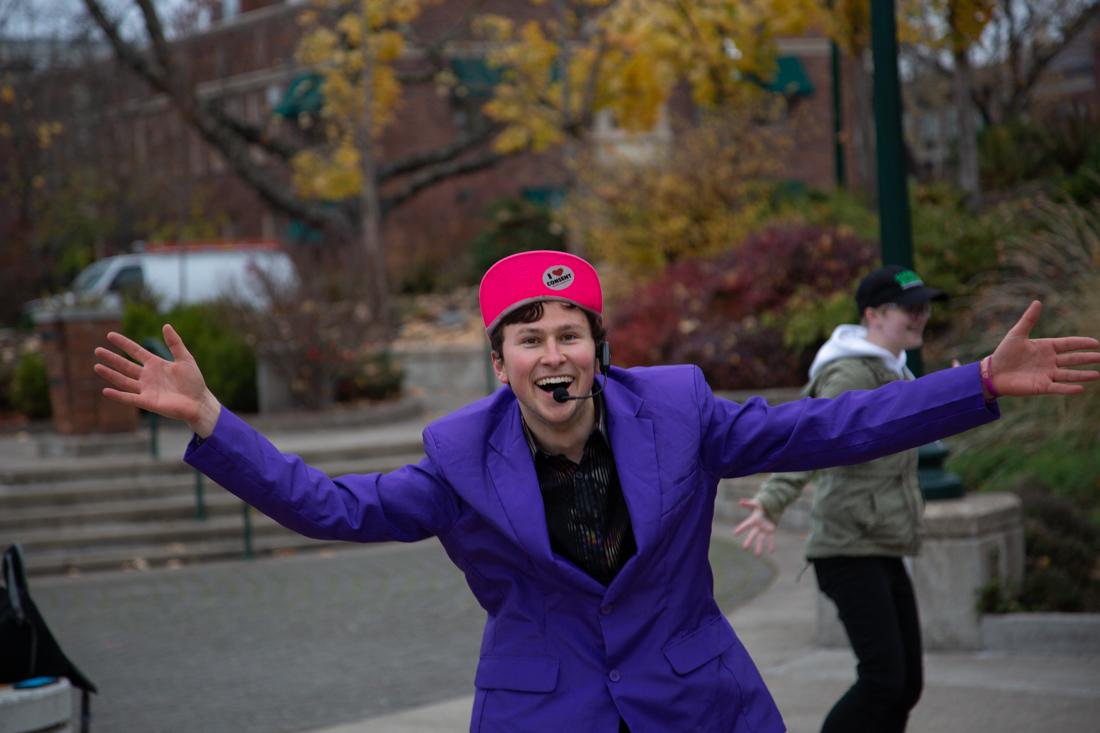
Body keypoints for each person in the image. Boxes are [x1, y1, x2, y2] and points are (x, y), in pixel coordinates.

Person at [93, 250, 1099, 733]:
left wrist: (970, 383)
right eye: (527, 338)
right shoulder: (460, 461)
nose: (551, 353)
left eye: (567, 333)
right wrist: (215, 425)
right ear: (500, 364)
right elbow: (333, 505)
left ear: (596, 349)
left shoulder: (680, 416)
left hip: (698, 703)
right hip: (545, 713)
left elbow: (827, 424)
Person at [734, 265, 981, 732]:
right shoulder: (849, 373)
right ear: (873, 315)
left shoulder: (892, 370)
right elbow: (811, 435)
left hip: (881, 542)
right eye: (909, 309)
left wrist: (956, 394)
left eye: (924, 307)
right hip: (847, 547)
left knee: (904, 686)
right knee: (884, 681)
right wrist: (772, 500)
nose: (920, 317)